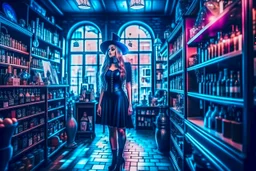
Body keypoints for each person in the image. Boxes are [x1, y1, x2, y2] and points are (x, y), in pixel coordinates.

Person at [97, 33, 134, 171]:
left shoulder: (126, 66)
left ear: (117, 50)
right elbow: (103, 86)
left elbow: (129, 85)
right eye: (108, 50)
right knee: (111, 130)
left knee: (121, 130)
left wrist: (130, 104)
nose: (109, 51)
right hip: (107, 99)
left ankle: (120, 157)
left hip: (120, 99)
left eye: (112, 49)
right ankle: (114, 160)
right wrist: (99, 104)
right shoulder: (105, 67)